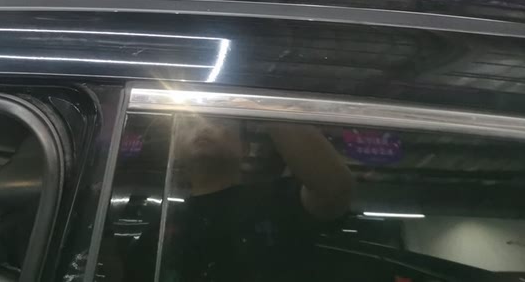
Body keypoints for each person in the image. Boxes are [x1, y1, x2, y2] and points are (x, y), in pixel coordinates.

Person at [127, 115, 354, 282]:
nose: (203, 127)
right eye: (190, 124)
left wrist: (263, 99)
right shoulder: (161, 228)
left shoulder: (279, 198)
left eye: (219, 121)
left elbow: (334, 189)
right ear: (176, 151)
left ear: (244, 148)